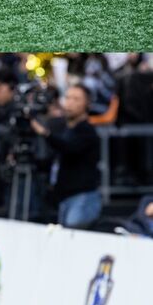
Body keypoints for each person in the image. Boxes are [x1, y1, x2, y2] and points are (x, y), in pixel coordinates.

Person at [31, 84, 102, 228]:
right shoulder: (64, 128)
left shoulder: (87, 130)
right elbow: (57, 158)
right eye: (68, 98)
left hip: (82, 197)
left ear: (87, 104)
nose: (70, 103)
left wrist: (45, 133)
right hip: (64, 197)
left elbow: (69, 147)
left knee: (74, 233)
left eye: (76, 99)